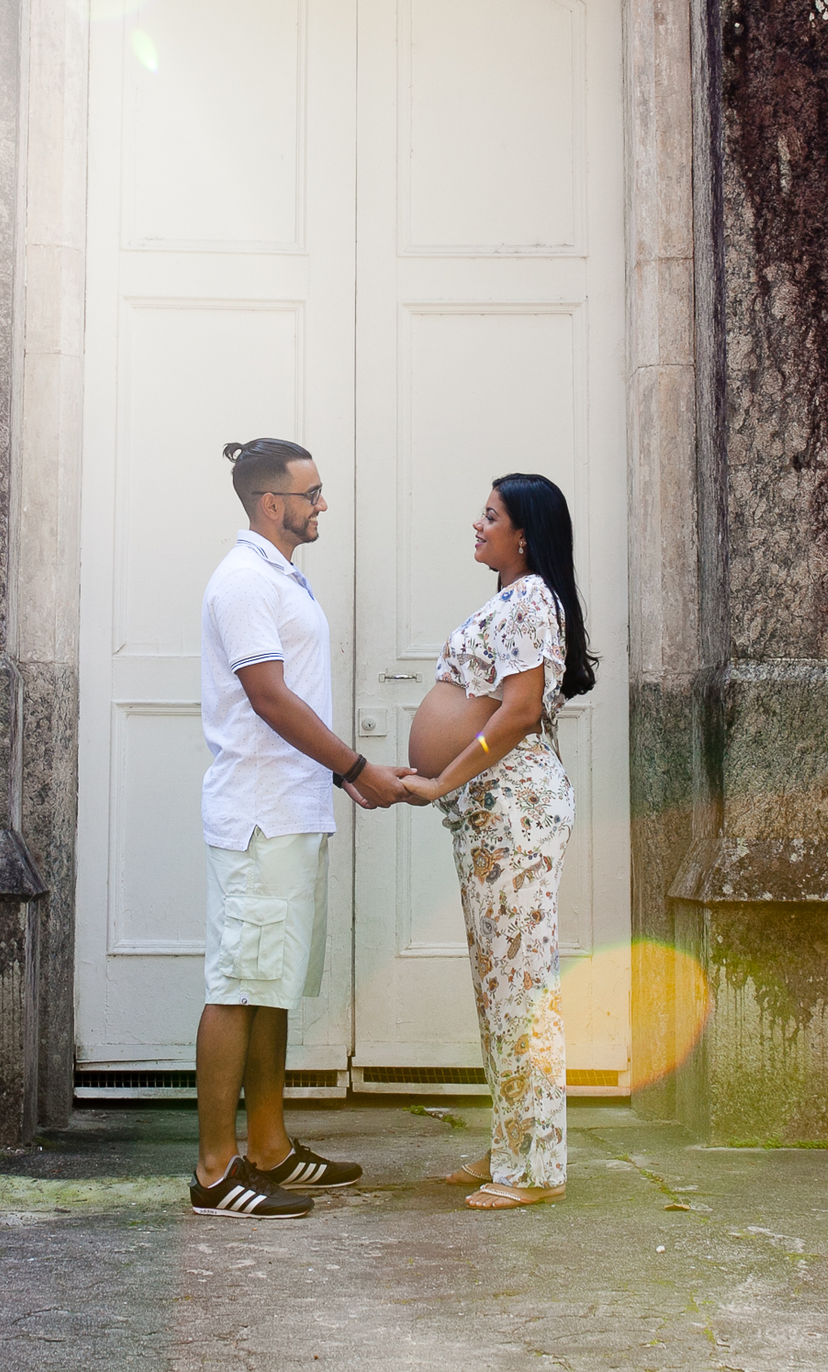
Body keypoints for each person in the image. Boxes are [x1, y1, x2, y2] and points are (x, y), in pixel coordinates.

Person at [190, 436, 412, 1219]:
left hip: (290, 811)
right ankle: (216, 1173)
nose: (321, 506)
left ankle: (271, 1149)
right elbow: (270, 699)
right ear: (269, 503)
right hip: (258, 817)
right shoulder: (244, 581)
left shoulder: (282, 578)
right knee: (236, 985)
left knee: (269, 986)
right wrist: (354, 770)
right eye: (310, 494)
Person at [402, 473, 596, 1210]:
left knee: (520, 987)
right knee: (498, 985)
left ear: (525, 532)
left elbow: (516, 714)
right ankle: (512, 1143)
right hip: (492, 813)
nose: (477, 526)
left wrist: (442, 778)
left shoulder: (532, 599)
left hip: (513, 811)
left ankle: (536, 1168)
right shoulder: (512, 602)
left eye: (491, 517)